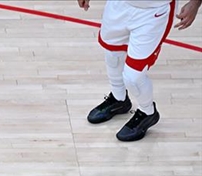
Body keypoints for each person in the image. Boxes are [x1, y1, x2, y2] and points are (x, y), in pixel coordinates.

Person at [80, 0, 201, 141]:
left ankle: (147, 112)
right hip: (119, 5)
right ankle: (119, 99)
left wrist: (195, 3)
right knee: (113, 55)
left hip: (153, 12)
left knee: (133, 76)